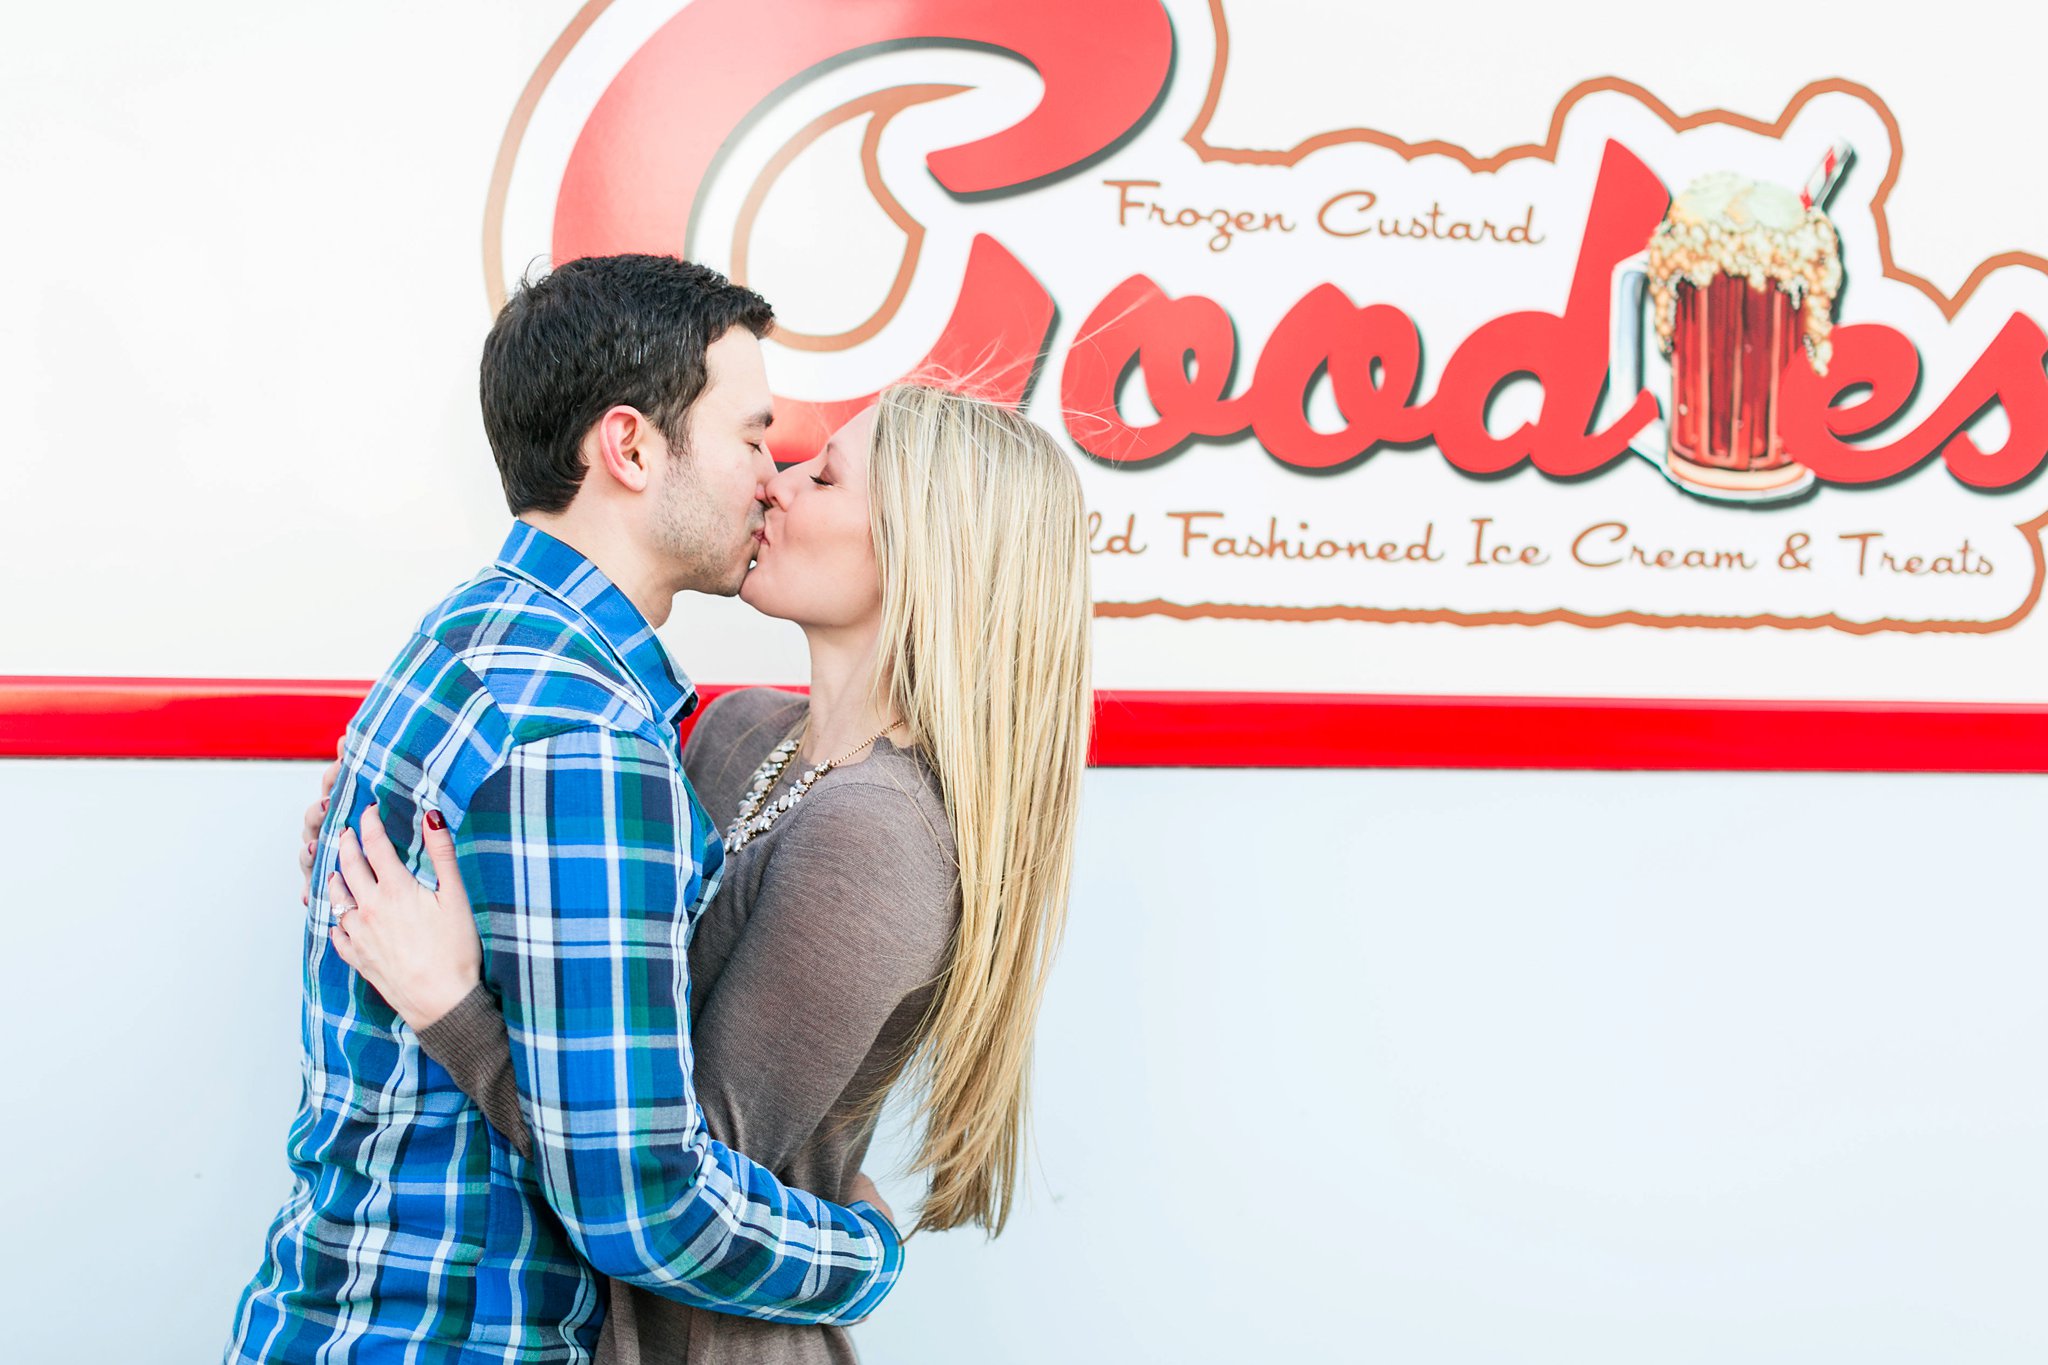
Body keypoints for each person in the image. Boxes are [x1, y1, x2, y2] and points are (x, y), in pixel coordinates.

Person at [305, 381, 1093, 1363]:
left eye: (823, 474)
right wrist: (403, 833)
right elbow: (584, 970)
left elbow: (649, 1181)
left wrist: (447, 1004)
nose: (776, 487)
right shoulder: (734, 729)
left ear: (924, 551)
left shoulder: (880, 842)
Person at [225, 256, 906, 1365]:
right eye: (751, 437)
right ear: (630, 447)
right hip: (455, 1338)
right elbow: (640, 1204)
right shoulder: (581, 735)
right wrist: (863, 1252)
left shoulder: (480, 634)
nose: (770, 478)